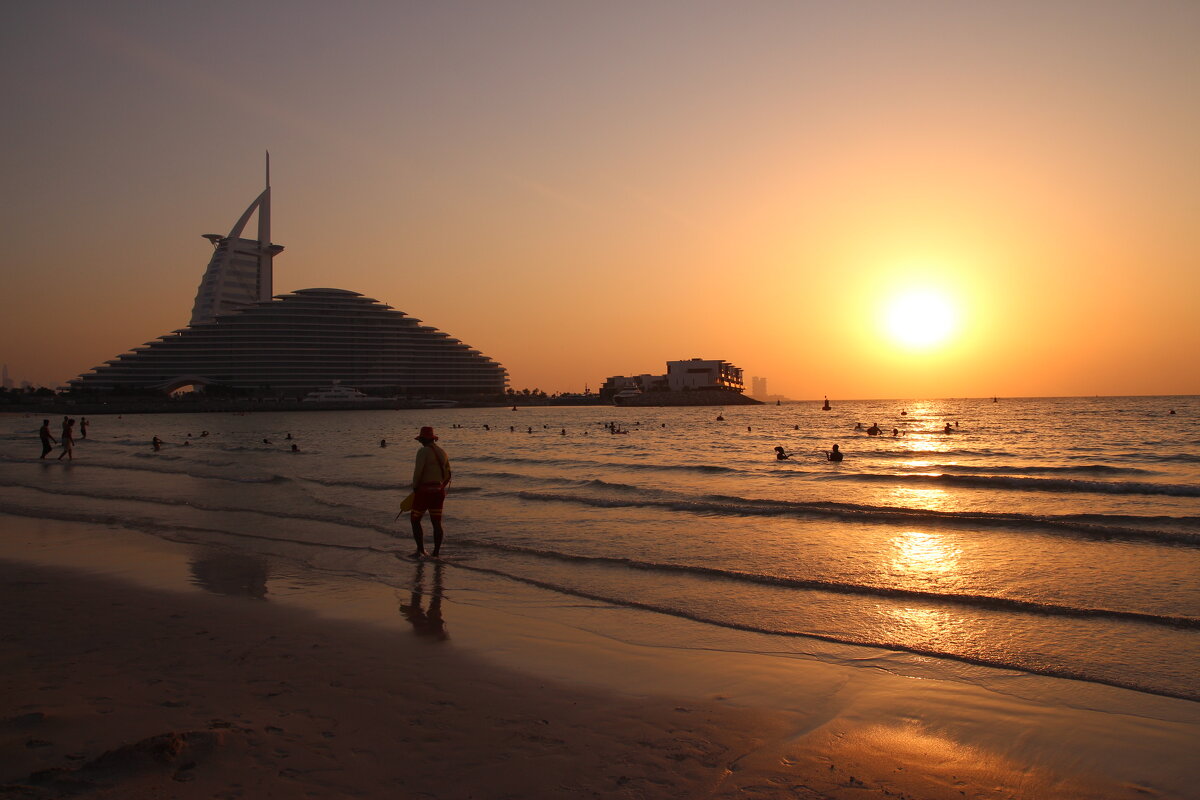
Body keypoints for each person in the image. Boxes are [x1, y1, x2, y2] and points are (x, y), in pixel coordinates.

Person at [409, 426, 451, 559]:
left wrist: (415, 487)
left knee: (415, 520)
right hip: (439, 491)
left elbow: (418, 472)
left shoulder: (423, 451)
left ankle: (420, 551)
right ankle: (436, 553)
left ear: (422, 439)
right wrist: (440, 486)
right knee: (436, 522)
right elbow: (448, 475)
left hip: (424, 490)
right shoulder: (443, 452)